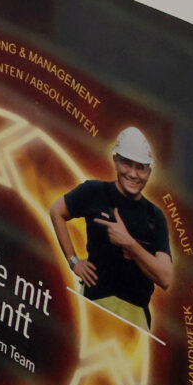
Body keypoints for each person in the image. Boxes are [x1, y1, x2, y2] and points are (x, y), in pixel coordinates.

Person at [46, 126, 174, 331]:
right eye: (127, 163)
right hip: (92, 307)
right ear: (116, 161)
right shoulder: (94, 191)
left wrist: (129, 243)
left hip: (134, 322)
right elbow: (56, 211)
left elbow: (165, 278)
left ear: (149, 172)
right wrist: (73, 261)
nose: (133, 174)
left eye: (141, 167)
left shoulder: (155, 216)